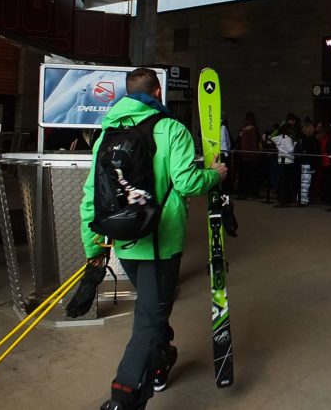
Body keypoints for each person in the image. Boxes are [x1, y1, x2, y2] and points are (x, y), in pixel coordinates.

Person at [79, 67, 226, 410]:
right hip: (162, 241)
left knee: (152, 309)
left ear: (126, 94)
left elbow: (90, 197)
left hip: (124, 243)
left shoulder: (106, 133)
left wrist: (94, 252)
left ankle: (161, 363)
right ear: (158, 93)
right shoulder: (172, 129)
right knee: (149, 316)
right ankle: (124, 396)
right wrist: (215, 174)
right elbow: (189, 183)